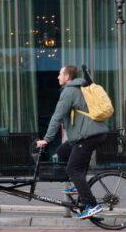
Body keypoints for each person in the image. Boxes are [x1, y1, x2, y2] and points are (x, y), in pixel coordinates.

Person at [36, 65, 110, 220]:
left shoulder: (69, 91)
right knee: (63, 151)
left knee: (73, 169)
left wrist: (47, 139)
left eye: (60, 74)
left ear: (68, 77)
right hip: (87, 135)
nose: (57, 77)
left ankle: (92, 205)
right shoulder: (80, 88)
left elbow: (57, 117)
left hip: (89, 136)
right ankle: (80, 184)